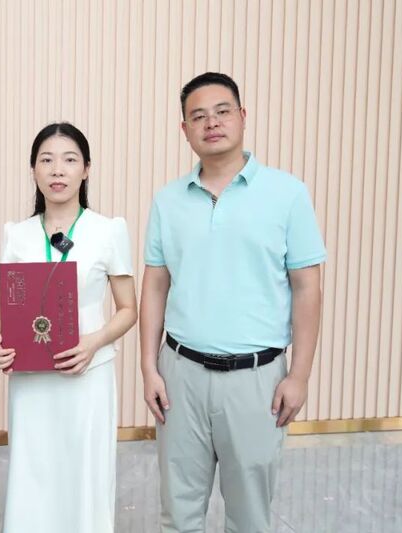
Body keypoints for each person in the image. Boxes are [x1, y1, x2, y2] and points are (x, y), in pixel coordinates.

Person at [139, 72, 326, 532]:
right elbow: (156, 284)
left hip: (256, 380)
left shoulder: (287, 194)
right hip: (180, 375)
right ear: (184, 129)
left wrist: (299, 376)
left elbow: (307, 287)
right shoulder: (168, 201)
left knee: (249, 517)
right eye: (198, 116)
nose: (212, 123)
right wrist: (148, 367)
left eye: (222, 111)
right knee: (178, 512)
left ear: (242, 116)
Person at [0, 122, 138, 533]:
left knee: (85, 475)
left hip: (86, 374)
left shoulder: (108, 230)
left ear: (86, 169)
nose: (58, 170)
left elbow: (128, 309)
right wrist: (3, 343)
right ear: (33, 170)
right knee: (33, 473)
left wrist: (93, 342)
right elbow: (6, 311)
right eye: (47, 160)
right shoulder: (16, 234)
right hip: (31, 380)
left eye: (69, 160)